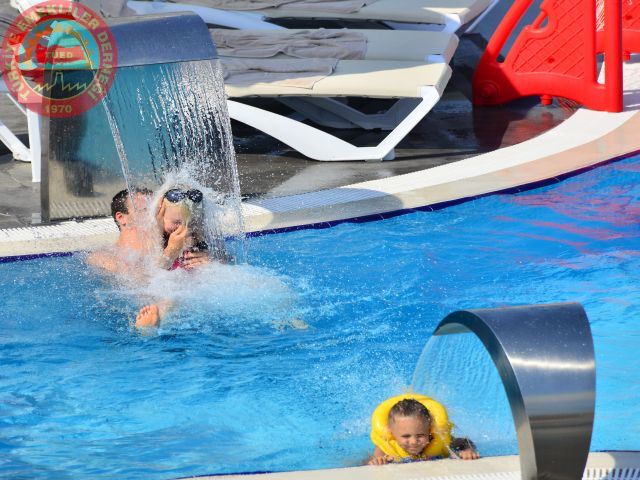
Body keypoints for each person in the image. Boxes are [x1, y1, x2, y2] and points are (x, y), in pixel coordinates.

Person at [368, 396, 480, 466]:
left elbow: (464, 442)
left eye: (420, 435)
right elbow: (369, 461)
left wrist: (468, 450)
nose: (413, 442)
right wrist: (377, 460)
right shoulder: (385, 447)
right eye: (406, 436)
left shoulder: (440, 440)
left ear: (429, 429)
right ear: (391, 432)